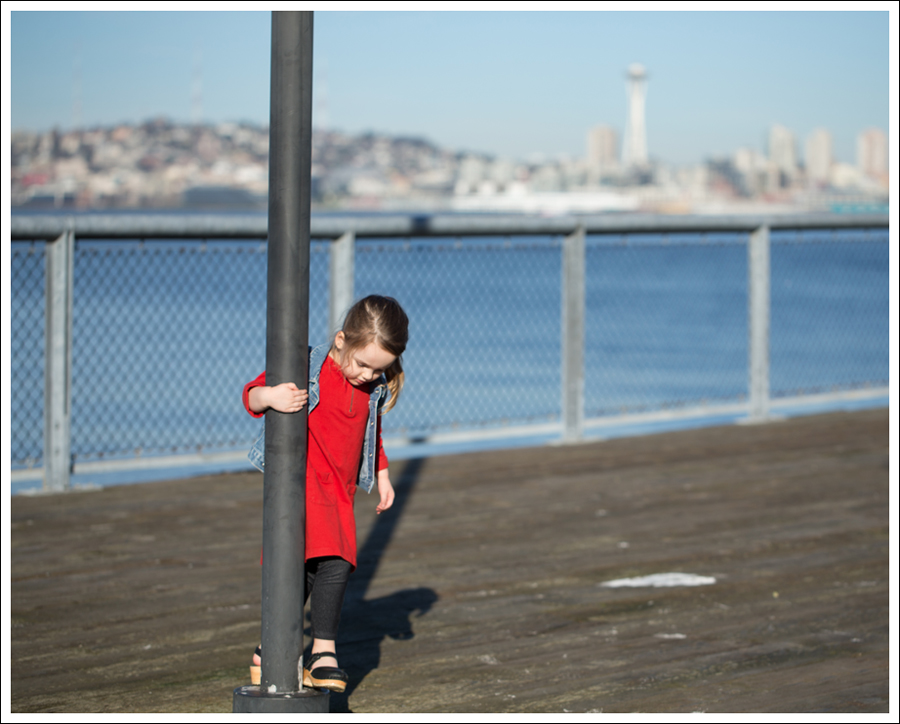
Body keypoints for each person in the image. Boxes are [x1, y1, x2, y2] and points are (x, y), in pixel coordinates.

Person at [242, 295, 409, 693]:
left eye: (378, 369)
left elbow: (373, 436)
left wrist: (383, 474)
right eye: (363, 364)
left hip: (340, 490)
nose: (368, 375)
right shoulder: (309, 365)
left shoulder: (373, 388)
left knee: (307, 573)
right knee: (336, 561)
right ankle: (323, 653)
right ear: (340, 341)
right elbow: (250, 394)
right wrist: (271, 397)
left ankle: (268, 651)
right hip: (303, 483)